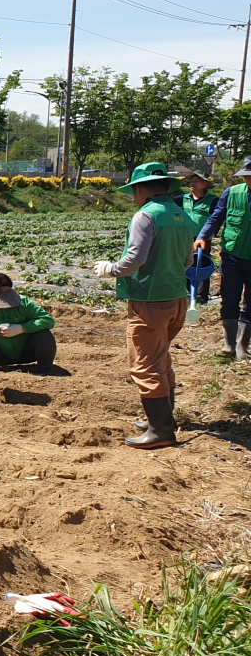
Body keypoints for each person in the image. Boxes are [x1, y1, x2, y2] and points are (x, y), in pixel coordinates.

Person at [95, 162, 194, 449]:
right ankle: (163, 419)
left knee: (145, 364)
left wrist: (111, 269)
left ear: (140, 189)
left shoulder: (145, 217)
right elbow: (188, 262)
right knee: (161, 358)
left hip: (149, 300)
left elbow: (135, 259)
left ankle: (161, 430)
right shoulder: (182, 216)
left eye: (134, 191)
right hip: (177, 298)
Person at [195, 158, 251, 359]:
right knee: (229, 298)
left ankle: (242, 346)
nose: (249, 179)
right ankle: (229, 343)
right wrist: (202, 237)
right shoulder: (232, 193)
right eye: (247, 176)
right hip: (232, 255)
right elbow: (216, 217)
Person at [0, 273, 58, 372]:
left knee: (44, 335)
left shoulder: (23, 303)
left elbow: (48, 320)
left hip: (28, 352)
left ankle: (44, 370)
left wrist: (22, 328)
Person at [174, 165, 219, 302]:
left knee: (201, 264)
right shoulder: (183, 199)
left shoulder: (213, 201)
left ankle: (201, 295)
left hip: (202, 238)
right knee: (185, 263)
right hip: (185, 237)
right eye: (191, 181)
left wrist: (213, 233)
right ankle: (187, 292)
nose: (192, 184)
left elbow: (217, 219)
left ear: (205, 184)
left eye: (196, 181)